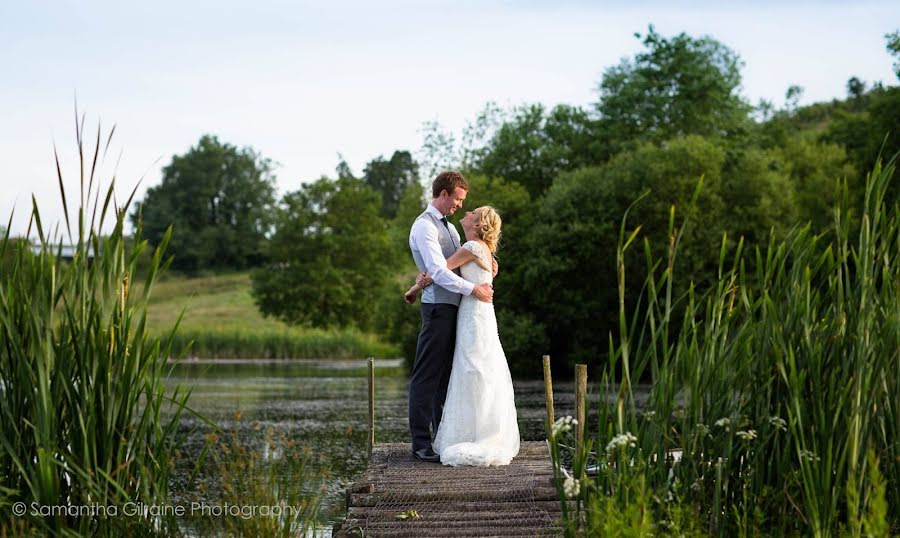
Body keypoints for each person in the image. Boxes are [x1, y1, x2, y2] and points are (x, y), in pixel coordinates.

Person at [405, 206, 520, 467]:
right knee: (477, 369)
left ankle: (467, 433)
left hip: (471, 311)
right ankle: (480, 430)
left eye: (473, 212)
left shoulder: (471, 247)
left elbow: (438, 271)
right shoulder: (478, 248)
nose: (466, 211)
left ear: (478, 224)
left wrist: (413, 288)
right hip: (477, 312)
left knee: (470, 368)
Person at [407, 171, 494, 463]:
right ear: (443, 194)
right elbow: (441, 272)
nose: (459, 205)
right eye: (457, 199)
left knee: (446, 378)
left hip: (457, 311)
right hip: (437, 310)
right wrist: (474, 290)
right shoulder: (424, 227)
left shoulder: (453, 230)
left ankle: (443, 439)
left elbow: (455, 265)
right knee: (426, 376)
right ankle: (420, 444)